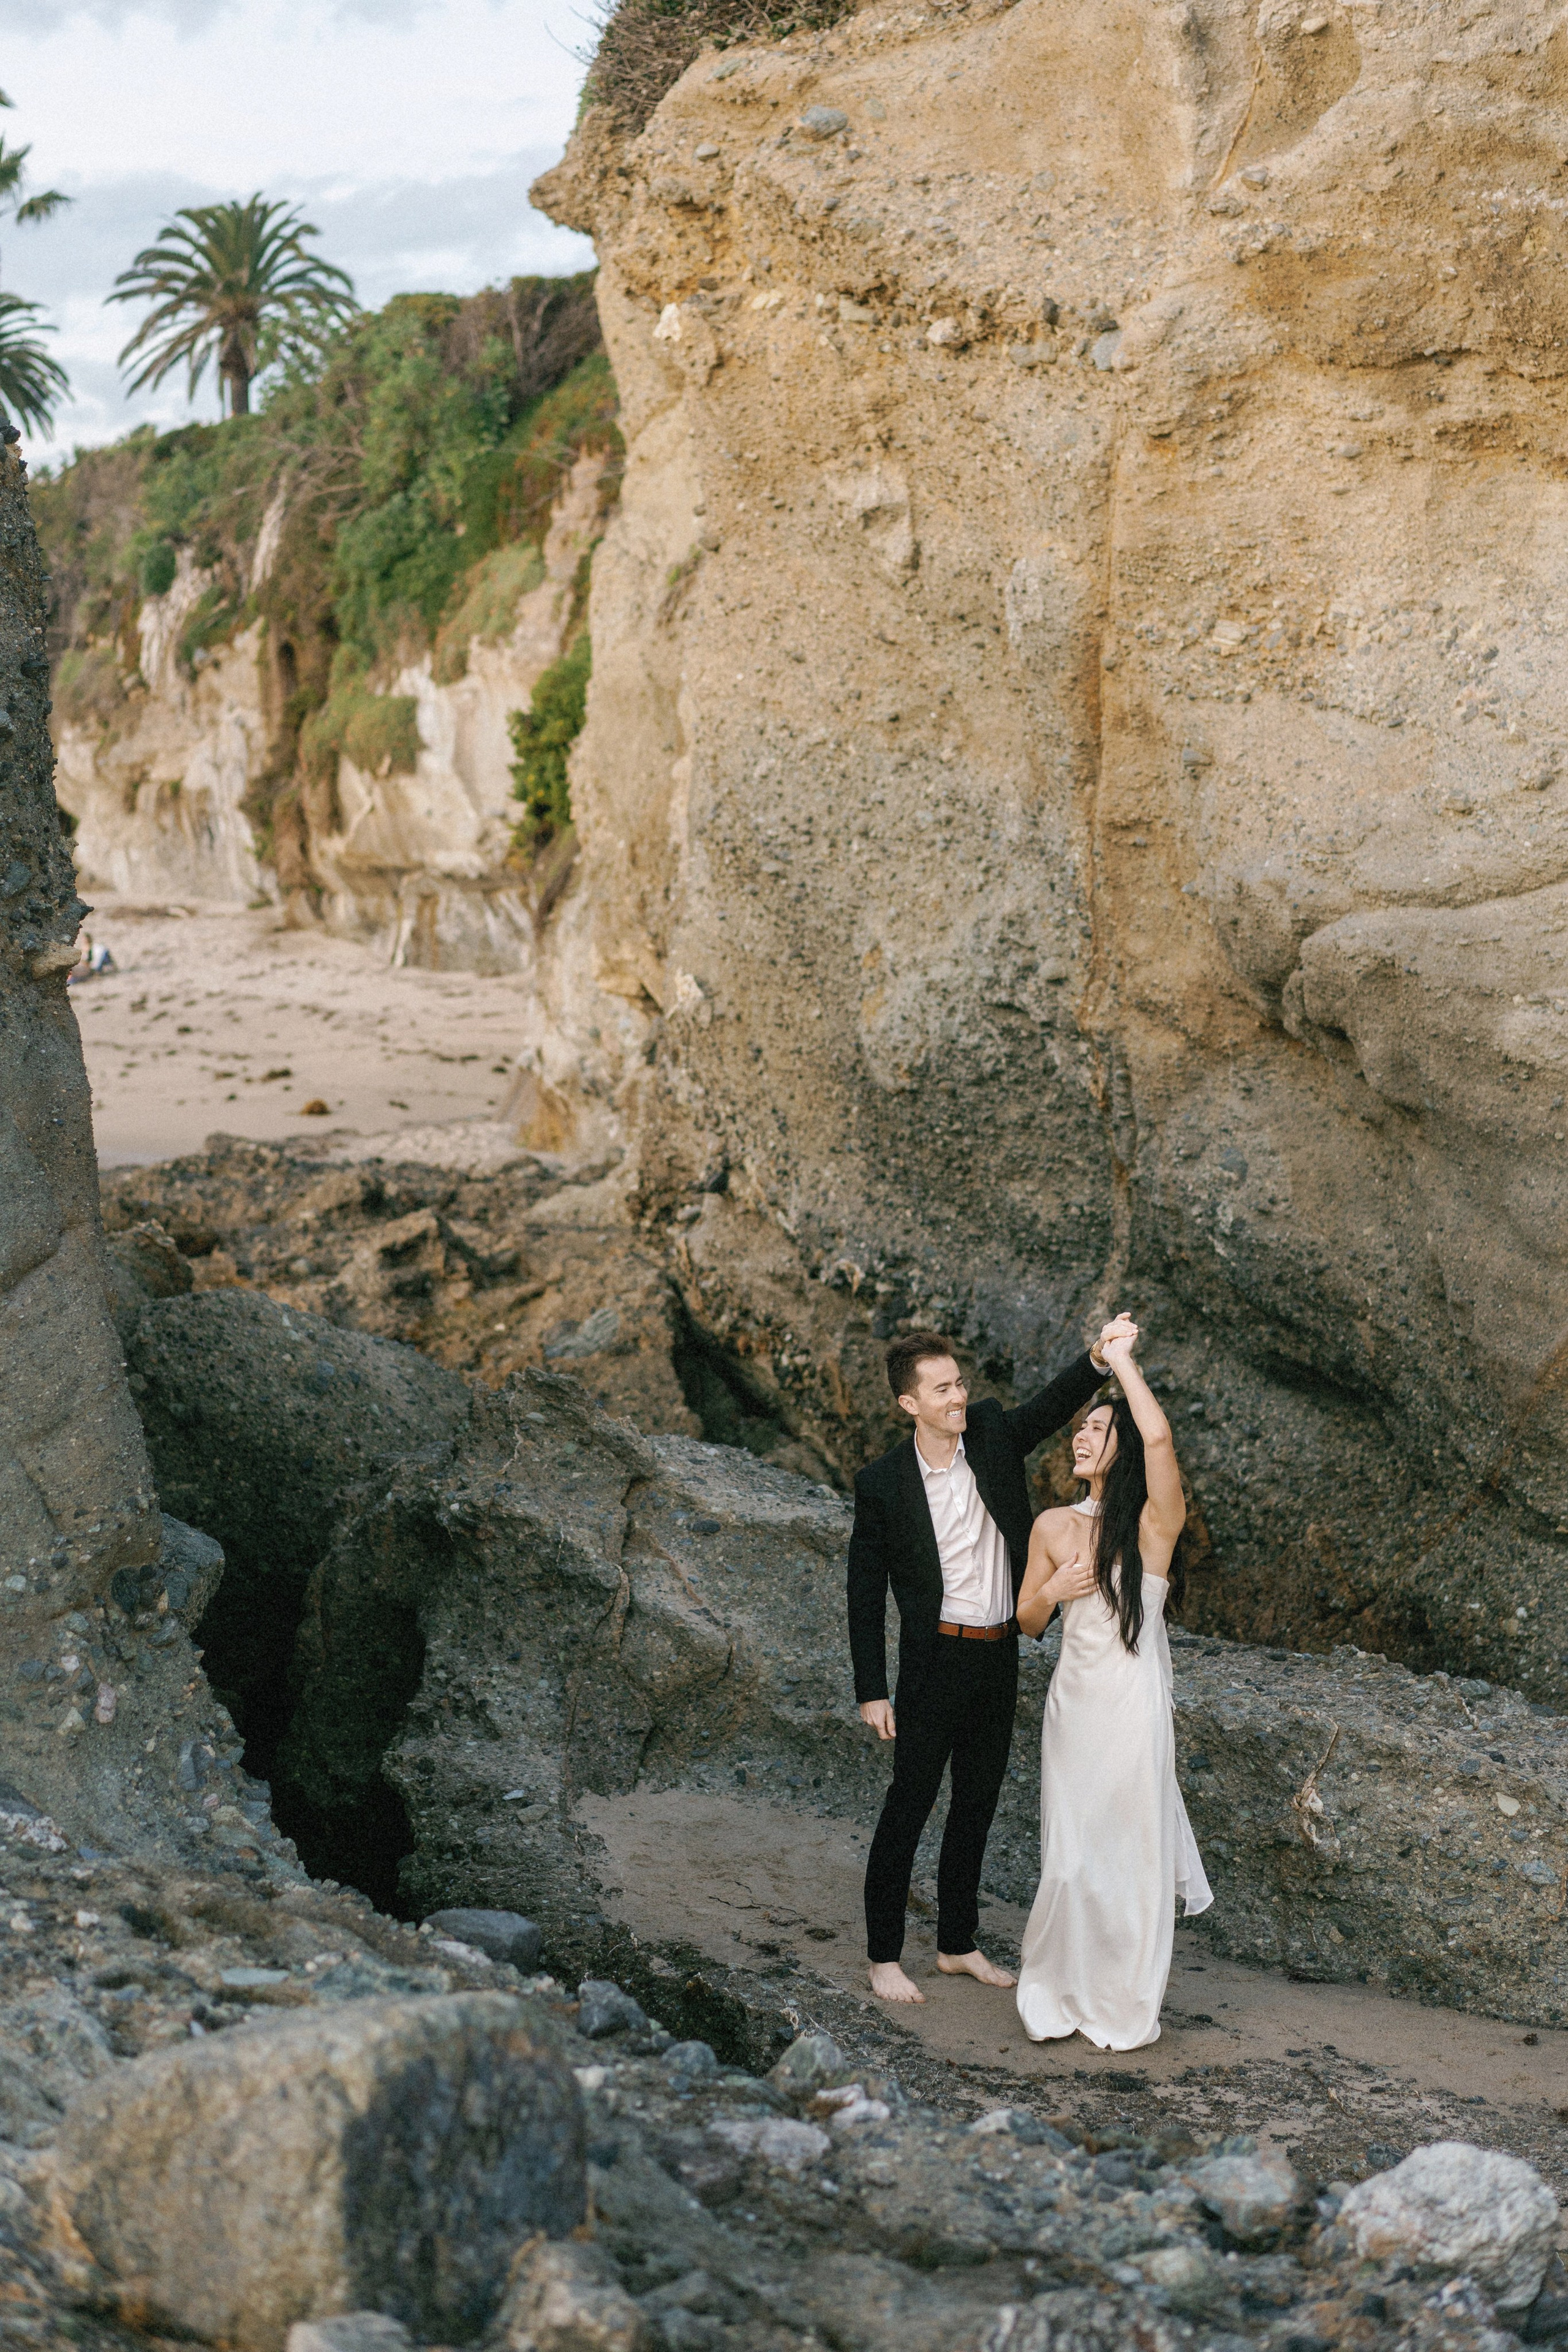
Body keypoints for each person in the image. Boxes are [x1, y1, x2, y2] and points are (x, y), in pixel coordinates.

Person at [848, 1314, 1137, 2004]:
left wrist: (1098, 1358)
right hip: (933, 1660)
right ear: (909, 1403)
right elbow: (864, 1590)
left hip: (998, 1653)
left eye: (959, 1384)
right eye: (941, 1389)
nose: (957, 1397)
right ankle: (884, 1956)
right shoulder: (882, 1482)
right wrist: (872, 1689)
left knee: (976, 1806)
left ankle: (956, 1944)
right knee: (908, 1807)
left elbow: (1048, 1406)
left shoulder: (989, 1434)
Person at [1013, 1325, 1212, 2050]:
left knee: (1128, 1855)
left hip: (1131, 1709)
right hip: (1073, 1708)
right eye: (1080, 1427)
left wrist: (1119, 1363)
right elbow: (1024, 1620)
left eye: (1098, 1429)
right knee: (1069, 1859)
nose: (1080, 1436)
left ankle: (1123, 2001)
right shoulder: (1052, 1525)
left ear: (1122, 1448)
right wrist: (1055, 1591)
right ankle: (1056, 1990)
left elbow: (1158, 1439)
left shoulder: (1154, 1528)